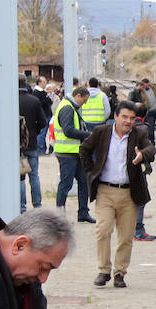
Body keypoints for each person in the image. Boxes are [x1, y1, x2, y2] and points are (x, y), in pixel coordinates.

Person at [80, 100, 156, 288]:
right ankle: (104, 270)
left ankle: (120, 273)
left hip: (129, 193)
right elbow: (84, 149)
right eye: (124, 117)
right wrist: (91, 171)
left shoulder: (139, 134)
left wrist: (142, 156)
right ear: (115, 116)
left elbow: (151, 149)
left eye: (132, 118)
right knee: (103, 230)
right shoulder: (102, 132)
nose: (128, 121)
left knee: (125, 236)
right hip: (105, 190)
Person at [54, 85, 96, 223]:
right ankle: (60, 215)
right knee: (66, 184)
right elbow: (68, 130)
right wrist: (88, 134)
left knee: (83, 181)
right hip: (67, 153)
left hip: (75, 152)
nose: (84, 103)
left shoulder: (70, 107)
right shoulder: (67, 108)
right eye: (84, 100)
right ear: (78, 96)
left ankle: (83, 212)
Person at [18, 76, 46, 211]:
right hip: (32, 143)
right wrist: (34, 131)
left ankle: (22, 206)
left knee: (20, 176)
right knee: (34, 175)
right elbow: (43, 122)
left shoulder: (11, 100)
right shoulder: (34, 101)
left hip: (17, 144)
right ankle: (37, 204)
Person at [132, 102, 156, 242]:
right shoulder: (144, 129)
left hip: (129, 167)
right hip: (138, 168)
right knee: (140, 198)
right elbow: (150, 150)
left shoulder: (126, 127)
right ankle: (138, 230)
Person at [33, 76, 54, 154]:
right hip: (43, 115)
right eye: (44, 82)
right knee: (42, 133)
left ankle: (44, 148)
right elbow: (40, 103)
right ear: (39, 83)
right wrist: (48, 100)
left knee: (46, 133)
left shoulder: (43, 92)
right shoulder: (36, 92)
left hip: (47, 114)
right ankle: (40, 149)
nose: (45, 84)